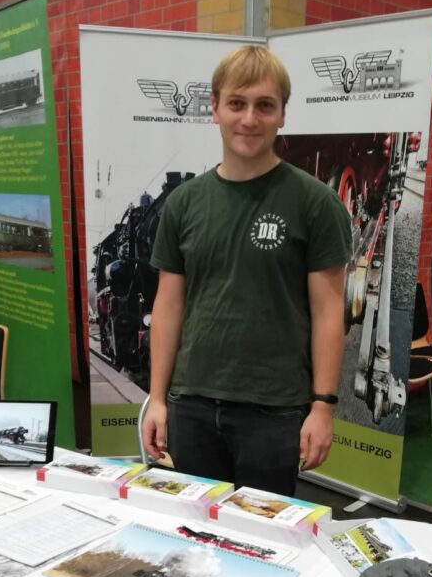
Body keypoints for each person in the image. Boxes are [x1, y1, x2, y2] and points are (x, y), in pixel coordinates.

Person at [141, 45, 352, 496]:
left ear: (282, 115)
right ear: (214, 109)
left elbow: (329, 312)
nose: (249, 119)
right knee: (196, 540)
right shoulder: (184, 204)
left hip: (273, 413)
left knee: (268, 545)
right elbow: (168, 305)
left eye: (264, 106)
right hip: (191, 404)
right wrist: (158, 399)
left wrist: (323, 406)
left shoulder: (315, 203)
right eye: (237, 103)